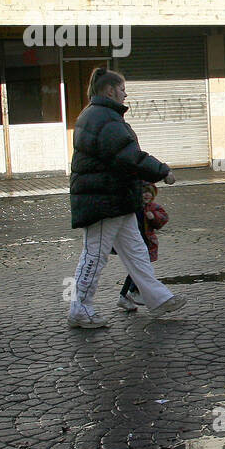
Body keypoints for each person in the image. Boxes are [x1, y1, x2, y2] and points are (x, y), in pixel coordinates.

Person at [68, 66, 187, 328]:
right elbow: (128, 156)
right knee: (94, 256)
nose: (125, 94)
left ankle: (156, 297)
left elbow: (124, 156)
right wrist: (162, 170)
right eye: (122, 89)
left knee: (136, 251)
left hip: (116, 199)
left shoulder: (101, 115)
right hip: (104, 201)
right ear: (110, 90)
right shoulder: (105, 118)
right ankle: (79, 308)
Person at [117, 182, 168, 311]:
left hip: (147, 243)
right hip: (133, 243)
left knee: (137, 269)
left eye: (149, 192)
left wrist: (153, 217)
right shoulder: (133, 207)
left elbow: (163, 219)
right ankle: (133, 292)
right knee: (140, 269)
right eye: (144, 192)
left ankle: (125, 296)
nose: (146, 195)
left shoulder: (153, 207)